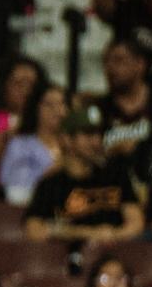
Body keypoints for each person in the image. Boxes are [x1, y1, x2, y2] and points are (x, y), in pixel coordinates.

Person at [23, 104, 144, 247]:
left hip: (116, 255)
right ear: (67, 139)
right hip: (69, 259)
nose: (96, 141)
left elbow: (136, 224)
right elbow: (33, 231)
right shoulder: (51, 183)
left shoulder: (115, 174)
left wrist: (111, 236)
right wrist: (87, 233)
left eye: (99, 134)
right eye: (88, 134)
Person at [0, 82, 67, 205]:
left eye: (61, 104)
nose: (58, 111)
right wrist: (52, 172)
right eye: (49, 105)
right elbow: (16, 194)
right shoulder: (20, 145)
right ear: (35, 108)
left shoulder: (73, 145)